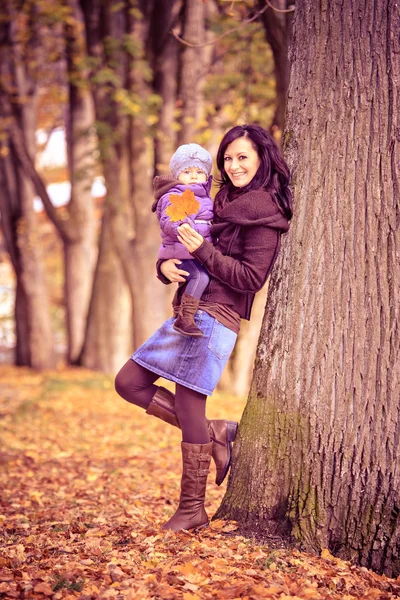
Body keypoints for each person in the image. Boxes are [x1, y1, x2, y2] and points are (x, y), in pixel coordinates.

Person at [115, 124, 292, 532]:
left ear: (262, 158)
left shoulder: (265, 212)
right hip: (189, 312)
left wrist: (202, 249)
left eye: (242, 157)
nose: (233, 165)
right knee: (128, 383)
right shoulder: (221, 200)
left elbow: (249, 278)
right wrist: (164, 266)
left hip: (216, 318)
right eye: (227, 158)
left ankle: (192, 509)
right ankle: (215, 433)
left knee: (189, 404)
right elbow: (181, 242)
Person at [153, 143, 213, 337]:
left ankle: (180, 309)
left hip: (194, 251)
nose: (194, 176)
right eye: (187, 171)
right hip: (181, 251)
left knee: (198, 279)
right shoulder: (173, 195)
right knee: (200, 277)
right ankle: (185, 318)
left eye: (199, 171)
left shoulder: (206, 198)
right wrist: (185, 226)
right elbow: (170, 220)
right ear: (177, 176)